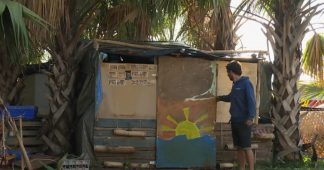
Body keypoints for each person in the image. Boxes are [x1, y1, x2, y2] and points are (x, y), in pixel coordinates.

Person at [216, 60, 256, 170]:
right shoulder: (235, 85)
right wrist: (219, 98)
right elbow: (230, 97)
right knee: (239, 148)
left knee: (247, 147)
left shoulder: (246, 84)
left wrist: (251, 117)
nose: (227, 75)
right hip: (235, 121)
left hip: (244, 121)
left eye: (228, 72)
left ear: (232, 72)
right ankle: (241, 168)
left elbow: (251, 101)